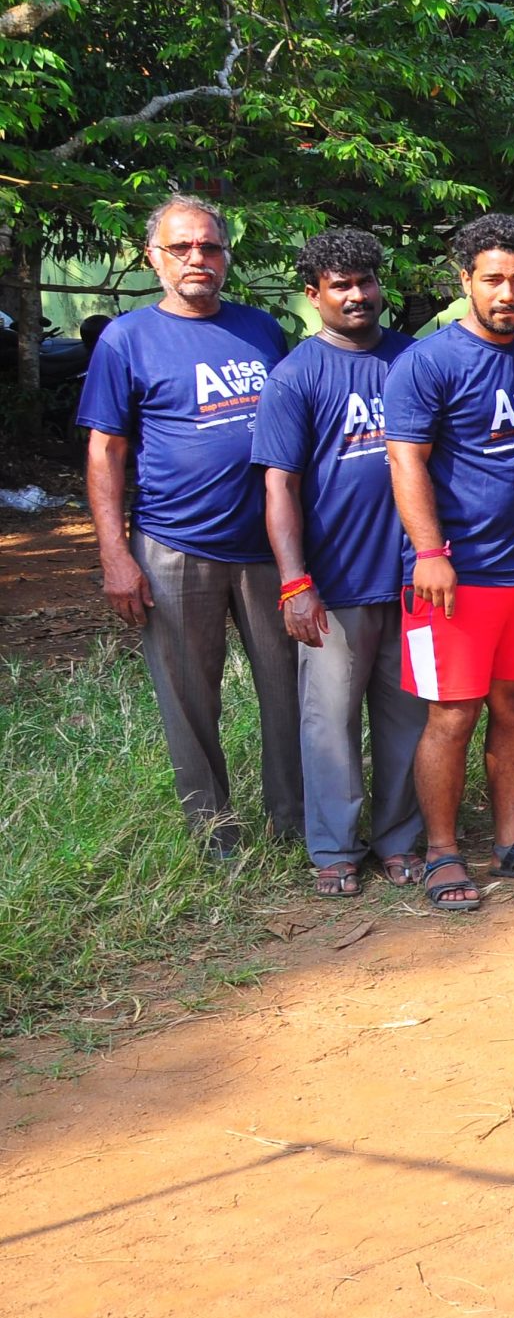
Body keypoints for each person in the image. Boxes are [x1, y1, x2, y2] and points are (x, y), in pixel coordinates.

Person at [80, 193, 301, 858]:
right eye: (181, 247)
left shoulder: (262, 330)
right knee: (189, 701)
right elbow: (105, 451)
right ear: (154, 257)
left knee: (289, 689)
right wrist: (115, 555)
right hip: (174, 546)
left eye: (210, 245)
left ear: (226, 256)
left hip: (268, 547)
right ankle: (214, 835)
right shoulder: (127, 339)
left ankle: (294, 824)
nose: (197, 257)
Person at [384, 212, 514, 910]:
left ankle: (511, 842)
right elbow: (405, 462)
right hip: (451, 577)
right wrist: (430, 552)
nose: (508, 293)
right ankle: (442, 853)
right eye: (493, 279)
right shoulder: (427, 362)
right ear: (465, 279)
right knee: (452, 714)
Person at [252, 228, 422, 895]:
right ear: (313, 294)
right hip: (336, 583)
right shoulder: (296, 376)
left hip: (412, 578)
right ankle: (334, 848)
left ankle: (399, 839)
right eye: (340, 285)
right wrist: (295, 583)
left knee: (407, 719)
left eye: (365, 281)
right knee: (330, 722)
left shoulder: (413, 360)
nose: (356, 295)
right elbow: (279, 487)